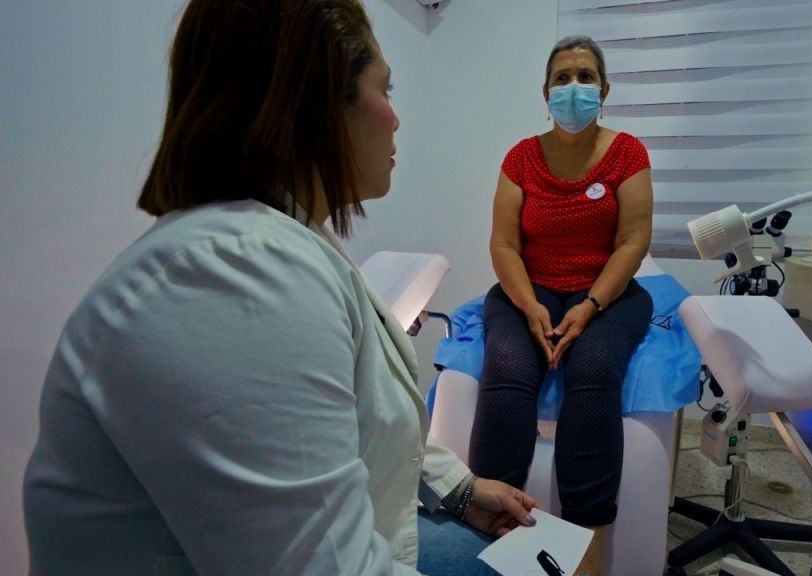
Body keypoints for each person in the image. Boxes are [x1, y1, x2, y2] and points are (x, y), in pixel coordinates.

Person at [21, 1, 537, 575]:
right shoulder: (235, 278)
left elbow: (358, 418)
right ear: (317, 103)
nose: (395, 119)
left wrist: (459, 488)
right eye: (385, 90)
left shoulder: (279, 244)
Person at [467, 35, 654, 575]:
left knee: (592, 368)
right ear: (545, 92)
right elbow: (504, 244)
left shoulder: (628, 154)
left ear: (605, 89)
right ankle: (492, 528)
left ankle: (587, 549)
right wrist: (529, 307)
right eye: (562, 78)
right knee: (506, 365)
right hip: (530, 288)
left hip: (607, 291)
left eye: (585, 76)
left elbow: (633, 240)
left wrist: (590, 305)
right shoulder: (520, 158)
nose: (574, 87)